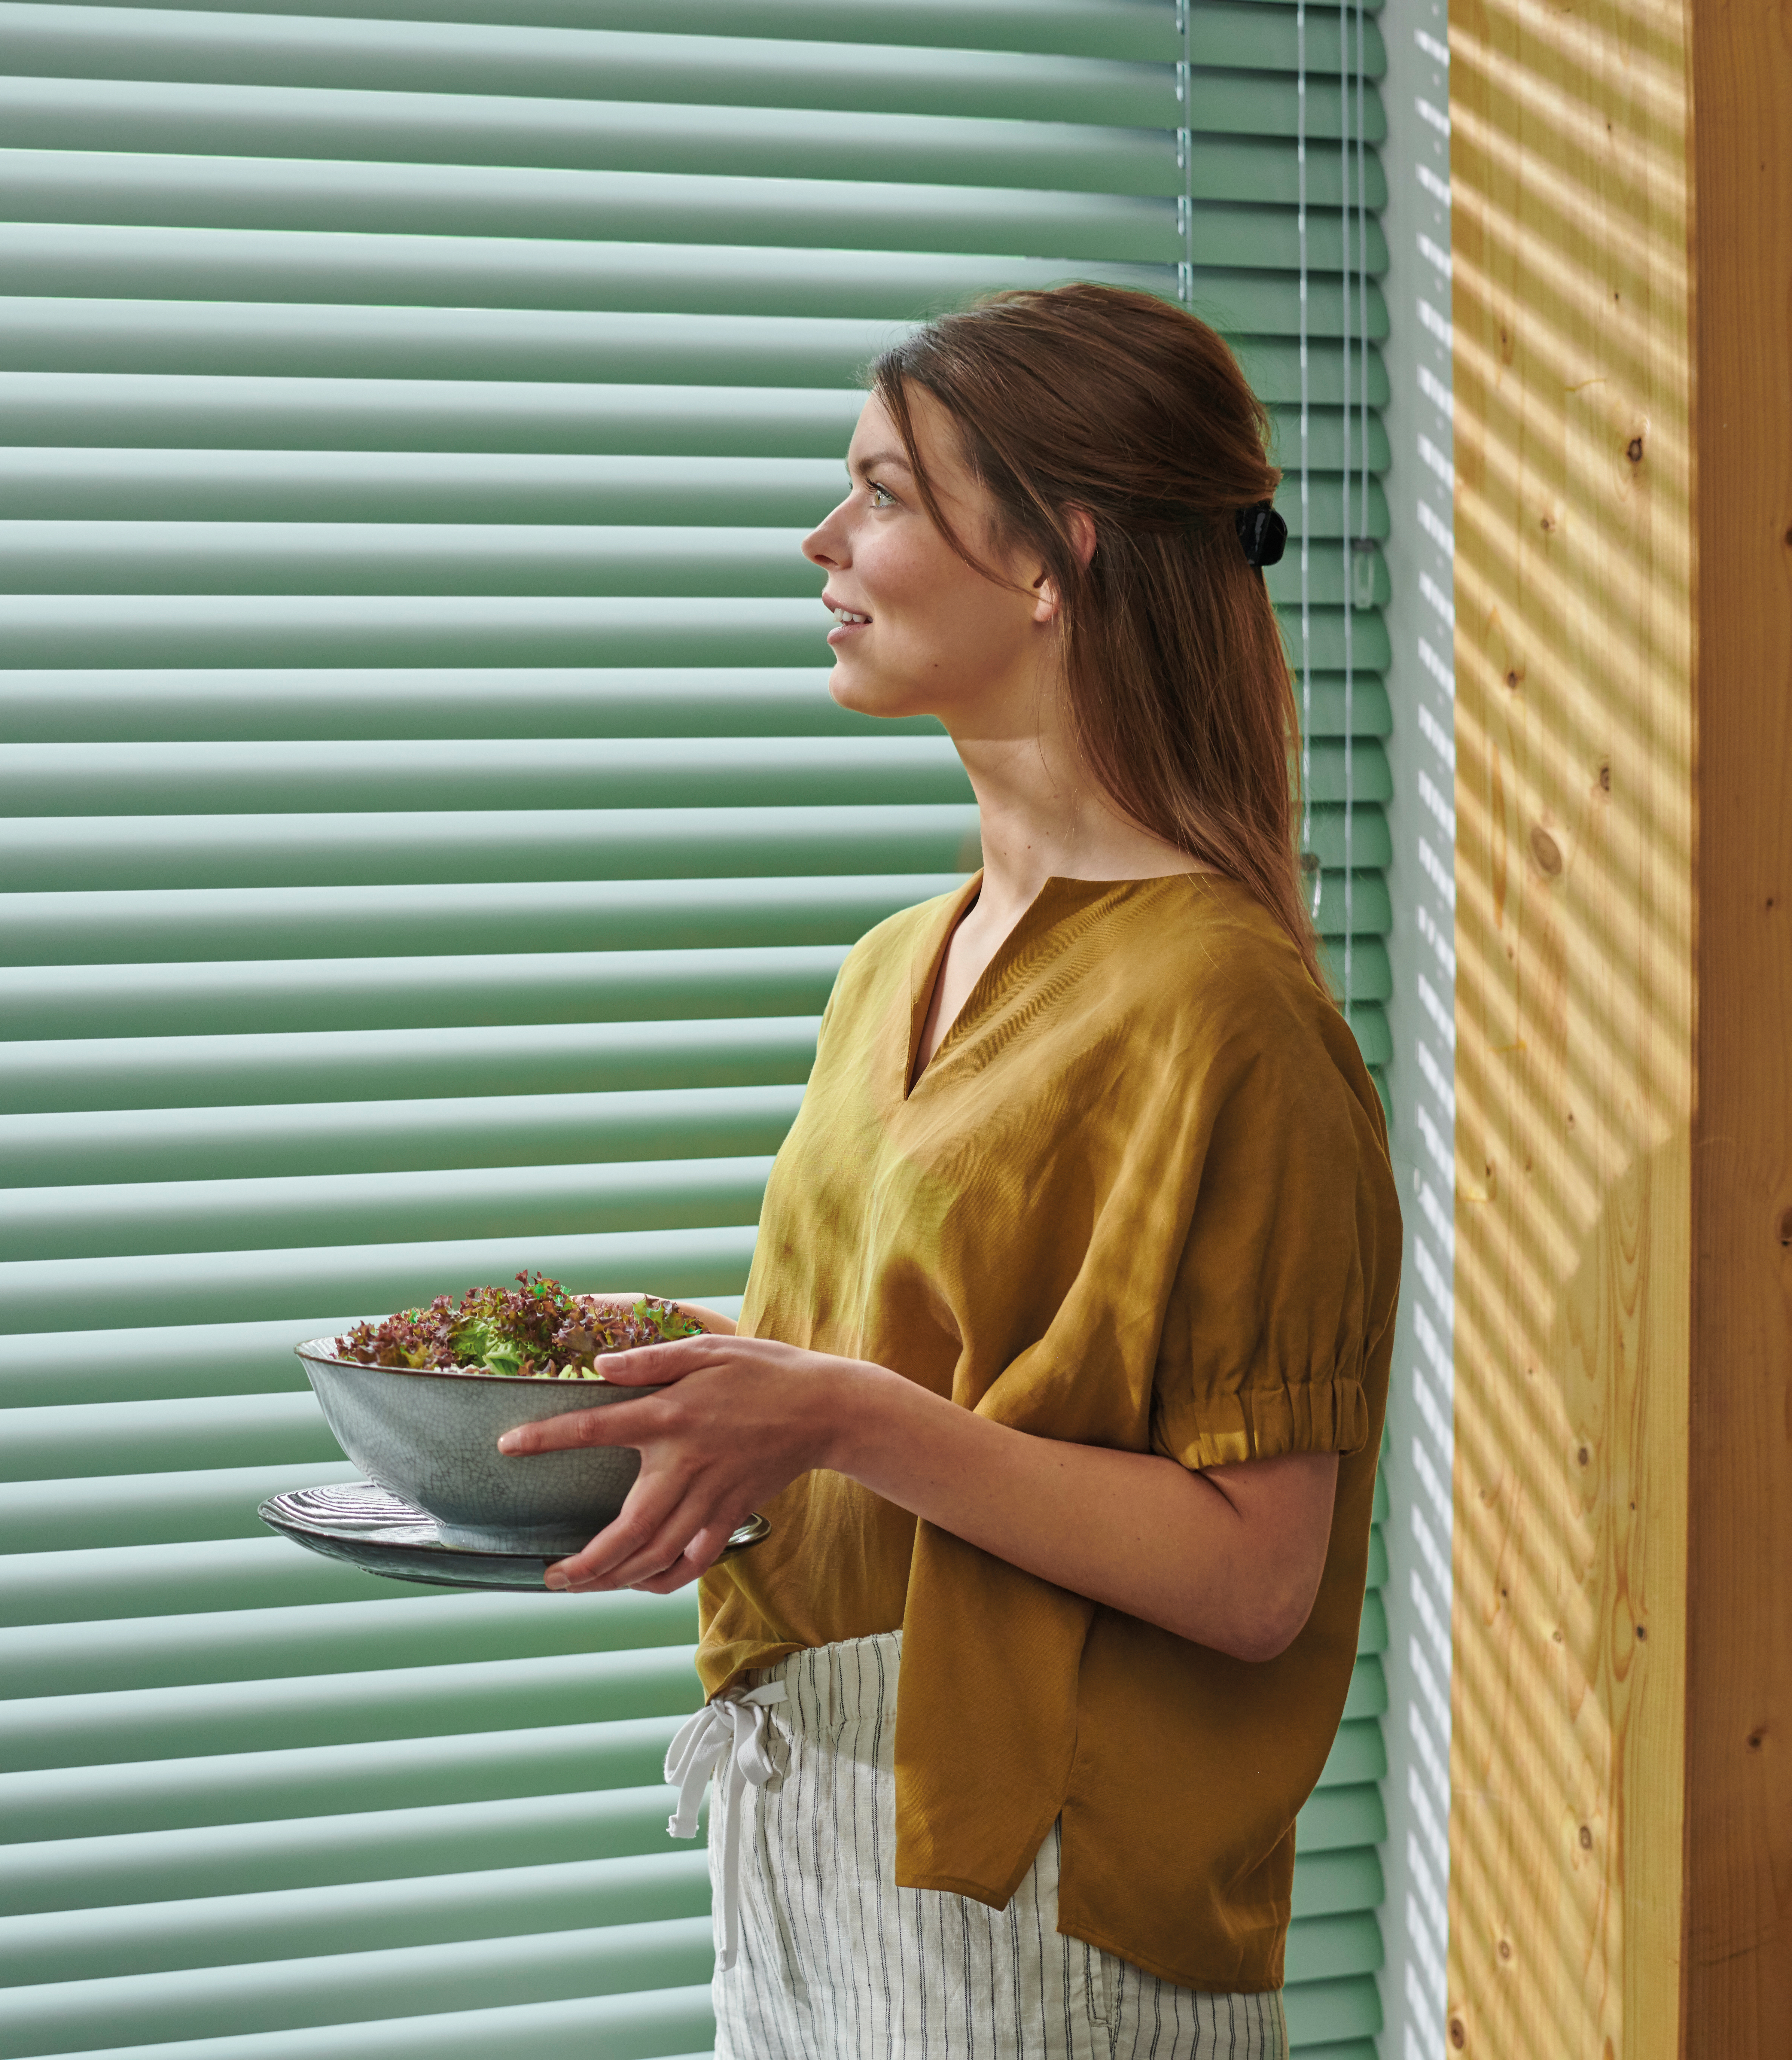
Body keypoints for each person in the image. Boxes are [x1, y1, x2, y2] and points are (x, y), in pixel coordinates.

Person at [505, 282, 1400, 2056]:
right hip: (809, 1848)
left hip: (1046, 1899)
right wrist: (668, 1366)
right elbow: (929, 1363)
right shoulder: (890, 964)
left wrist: (833, 1412)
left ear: (1058, 557)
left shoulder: (1229, 1007)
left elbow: (1256, 1577)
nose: (823, 538)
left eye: (885, 491)